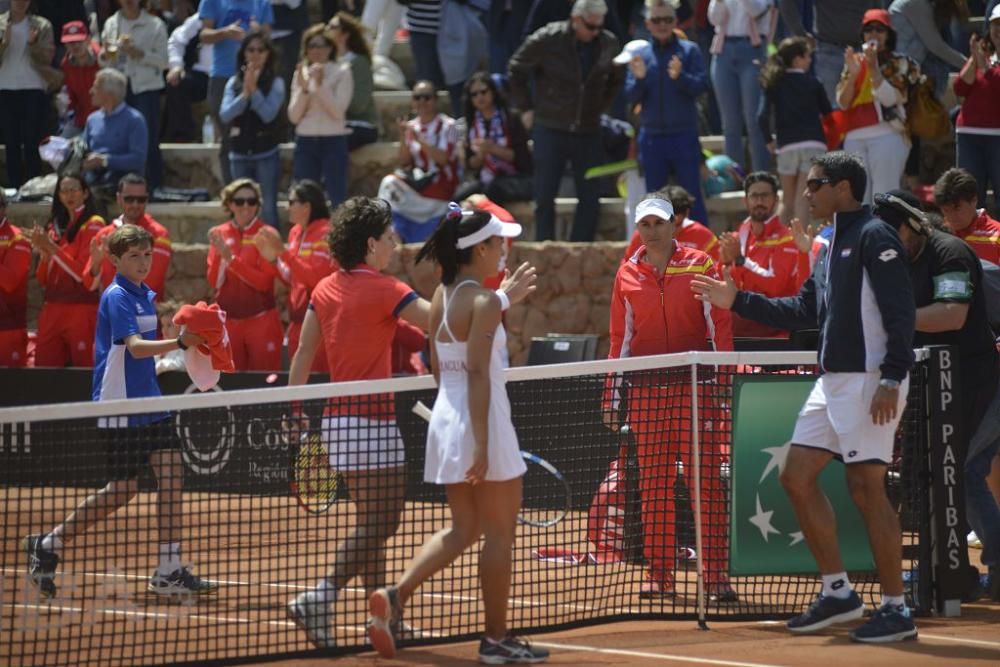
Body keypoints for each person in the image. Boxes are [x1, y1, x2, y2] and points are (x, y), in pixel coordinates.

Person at [285, 197, 536, 650]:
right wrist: (499, 299)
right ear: (369, 244)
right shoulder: (387, 288)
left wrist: (293, 405)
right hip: (375, 422)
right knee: (380, 524)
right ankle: (323, 594)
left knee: (374, 524)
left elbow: (304, 353)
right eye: (387, 237)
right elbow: (446, 325)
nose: (394, 244)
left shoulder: (322, 289)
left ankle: (384, 616)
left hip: (337, 424)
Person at [691, 151, 918, 643]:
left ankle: (897, 609)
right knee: (796, 478)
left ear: (842, 187)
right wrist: (738, 300)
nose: (807, 192)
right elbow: (803, 308)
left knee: (867, 490)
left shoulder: (875, 236)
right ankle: (838, 592)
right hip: (831, 380)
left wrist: (892, 377)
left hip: (871, 379)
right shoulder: (831, 240)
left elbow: (902, 312)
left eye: (815, 184)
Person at [365, 204, 549, 664]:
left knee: (465, 528)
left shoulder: (443, 296)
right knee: (500, 533)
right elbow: (479, 375)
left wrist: (503, 299)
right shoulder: (483, 302)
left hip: (448, 420)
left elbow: (437, 366)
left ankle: (395, 593)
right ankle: (496, 641)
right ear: (480, 249)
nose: (505, 250)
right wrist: (484, 443)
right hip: (478, 421)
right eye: (499, 243)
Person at [23, 224, 217, 601]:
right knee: (122, 490)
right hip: (120, 404)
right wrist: (178, 342)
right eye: (134, 256)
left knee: (172, 474)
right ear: (114, 259)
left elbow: (150, 347)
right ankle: (49, 543)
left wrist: (185, 336)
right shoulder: (116, 297)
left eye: (147, 255)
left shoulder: (145, 294)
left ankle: (168, 568)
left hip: (150, 400)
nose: (143, 262)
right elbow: (135, 348)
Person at [604, 193, 736, 602]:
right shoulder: (627, 274)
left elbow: (720, 327)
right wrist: (611, 397)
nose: (652, 230)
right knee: (654, 486)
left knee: (706, 484)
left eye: (659, 223)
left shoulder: (701, 264)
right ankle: (660, 577)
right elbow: (619, 341)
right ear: (638, 229)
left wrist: (725, 383)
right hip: (646, 395)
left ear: (673, 225)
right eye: (645, 224)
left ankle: (715, 577)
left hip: (696, 391)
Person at [873, 189, 1000, 602]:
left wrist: (892, 322)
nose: (889, 244)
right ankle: (948, 570)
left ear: (915, 223)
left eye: (895, 233)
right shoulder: (894, 261)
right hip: (935, 386)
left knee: (958, 471)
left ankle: (981, 567)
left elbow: (952, 314)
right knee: (939, 476)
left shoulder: (952, 253)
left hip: (984, 382)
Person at [507, 0, 624, 241]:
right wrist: (526, 109)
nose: (595, 33)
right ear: (575, 19)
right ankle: (545, 247)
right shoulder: (549, 38)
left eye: (598, 27)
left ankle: (580, 248)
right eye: (590, 27)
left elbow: (616, 78)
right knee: (544, 195)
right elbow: (516, 68)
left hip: (588, 128)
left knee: (590, 195)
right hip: (550, 126)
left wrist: (600, 106)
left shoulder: (607, 42)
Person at [625, 0, 711, 228]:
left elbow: (702, 86)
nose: (662, 24)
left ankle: (702, 253)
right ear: (647, 23)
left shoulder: (689, 50)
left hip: (683, 135)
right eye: (656, 20)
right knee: (654, 202)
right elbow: (631, 95)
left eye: (667, 19)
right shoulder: (640, 54)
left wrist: (680, 77)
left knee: (691, 198)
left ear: (675, 22)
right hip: (652, 138)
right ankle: (656, 256)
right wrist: (640, 79)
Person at [836, 9, 919, 205]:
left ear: (888, 35)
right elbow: (843, 102)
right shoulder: (854, 61)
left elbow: (891, 99)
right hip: (854, 136)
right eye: (868, 29)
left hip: (887, 135)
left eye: (879, 30)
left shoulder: (901, 62)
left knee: (884, 197)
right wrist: (855, 74)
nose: (873, 34)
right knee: (858, 199)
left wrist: (873, 68)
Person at [254, 179, 334, 372]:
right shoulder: (295, 233)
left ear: (306, 206)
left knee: (319, 383)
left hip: (321, 323)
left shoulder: (326, 233)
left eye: (291, 202)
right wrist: (273, 261)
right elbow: (291, 278)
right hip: (298, 320)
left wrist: (282, 252)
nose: (287, 208)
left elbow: (316, 279)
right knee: (298, 386)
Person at [29, 173, 107, 368]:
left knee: (84, 371)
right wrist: (45, 254)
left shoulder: (94, 223)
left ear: (86, 193)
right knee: (43, 369)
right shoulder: (56, 225)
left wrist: (51, 248)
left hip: (80, 308)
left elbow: (82, 274)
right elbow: (43, 280)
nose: (68, 195)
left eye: (74, 190)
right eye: (63, 191)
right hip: (52, 306)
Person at [719, 171, 810, 338]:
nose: (759, 201)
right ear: (745, 201)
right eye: (754, 196)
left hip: (775, 333)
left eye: (765, 196)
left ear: (776, 200)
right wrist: (725, 264)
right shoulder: (737, 237)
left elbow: (776, 286)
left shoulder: (787, 239)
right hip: (740, 331)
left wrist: (739, 260)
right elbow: (726, 286)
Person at [206, 177, 283, 371]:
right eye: (239, 201)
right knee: (231, 383)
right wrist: (221, 257)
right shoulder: (219, 232)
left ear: (258, 205)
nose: (245, 206)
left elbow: (264, 283)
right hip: (229, 321)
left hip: (262, 319)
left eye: (252, 201)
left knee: (265, 383)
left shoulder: (267, 233)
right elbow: (214, 282)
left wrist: (230, 259)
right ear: (230, 204)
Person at [757, 36, 832, 226]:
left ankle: (777, 247)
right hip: (813, 145)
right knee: (803, 199)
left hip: (786, 146)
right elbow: (829, 115)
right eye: (807, 56)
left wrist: (768, 140)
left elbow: (761, 116)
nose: (810, 60)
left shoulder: (774, 83)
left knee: (787, 201)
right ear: (797, 59)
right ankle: (801, 251)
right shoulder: (814, 83)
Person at [198, 0, 274, 184]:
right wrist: (225, 32)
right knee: (227, 135)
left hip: (257, 76)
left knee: (257, 131)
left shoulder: (261, 3)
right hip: (222, 76)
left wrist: (257, 32)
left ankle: (257, 189)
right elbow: (203, 35)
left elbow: (268, 38)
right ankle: (232, 192)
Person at [377, 79, 460, 243]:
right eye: (417, 97)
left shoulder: (449, 126)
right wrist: (403, 137)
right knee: (389, 184)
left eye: (427, 97)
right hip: (418, 188)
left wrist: (420, 140)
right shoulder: (411, 126)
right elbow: (404, 162)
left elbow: (444, 159)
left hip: (440, 190)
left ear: (435, 100)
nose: (422, 101)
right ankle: (391, 238)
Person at [100, 0, 168, 191]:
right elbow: (103, 60)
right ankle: (123, 188)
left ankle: (153, 186)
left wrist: (138, 53)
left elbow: (164, 61)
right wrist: (106, 55)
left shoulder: (155, 25)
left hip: (145, 89)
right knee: (121, 140)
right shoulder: (111, 23)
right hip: (119, 88)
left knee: (149, 139)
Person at [220, 31, 286, 229]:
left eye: (261, 50)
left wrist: (254, 91)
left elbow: (268, 114)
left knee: (267, 209)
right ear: (243, 53)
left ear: (268, 54)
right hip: (239, 152)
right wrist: (245, 95)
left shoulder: (276, 82)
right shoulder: (233, 83)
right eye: (251, 50)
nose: (255, 54)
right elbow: (225, 114)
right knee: (239, 207)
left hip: (266, 152)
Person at [288, 23, 352, 209]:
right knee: (304, 196)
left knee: (337, 195)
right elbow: (294, 116)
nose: (316, 50)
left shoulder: (343, 72)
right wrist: (305, 89)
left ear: (330, 48)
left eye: (321, 45)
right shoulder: (300, 74)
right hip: (306, 140)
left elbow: (338, 112)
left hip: (333, 139)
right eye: (312, 46)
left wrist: (320, 85)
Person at [707, 0, 775, 173]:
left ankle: (761, 176)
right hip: (723, 50)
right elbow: (714, 19)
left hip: (752, 49)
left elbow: (757, 12)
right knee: (730, 123)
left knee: (754, 121)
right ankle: (734, 178)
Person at [778, 0, 883, 109]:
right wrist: (799, 32)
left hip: (864, 51)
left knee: (866, 106)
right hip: (829, 50)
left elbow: (878, 9)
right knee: (831, 111)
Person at [86, 173, 172, 300]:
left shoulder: (159, 234)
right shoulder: (104, 235)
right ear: (118, 198)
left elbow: (152, 280)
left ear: (147, 199)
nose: (135, 204)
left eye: (141, 199)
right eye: (129, 199)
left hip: (144, 312)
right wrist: (96, 266)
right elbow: (89, 284)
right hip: (111, 313)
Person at [454, 71, 534, 206]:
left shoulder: (511, 118)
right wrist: (480, 155)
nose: (480, 97)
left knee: (492, 191)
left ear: (493, 92)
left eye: (483, 92)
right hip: (485, 180)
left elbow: (522, 158)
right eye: (474, 94)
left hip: (515, 178)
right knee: (456, 200)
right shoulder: (469, 124)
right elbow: (471, 165)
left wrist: (493, 149)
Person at [0, 0, 57, 188]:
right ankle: (15, 186)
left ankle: (33, 185)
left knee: (32, 141)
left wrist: (32, 45)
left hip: (34, 86)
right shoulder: (1, 23)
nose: (21, 2)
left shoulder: (42, 25)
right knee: (11, 142)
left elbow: (48, 57)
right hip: (5, 87)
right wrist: (3, 44)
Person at [954, 8, 1000, 216]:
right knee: (970, 195)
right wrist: (974, 59)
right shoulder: (983, 57)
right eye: (996, 24)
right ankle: (972, 244)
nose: (999, 29)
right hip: (969, 134)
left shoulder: (987, 63)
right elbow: (960, 88)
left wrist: (986, 69)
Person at [82, 68, 149, 193]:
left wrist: (105, 160)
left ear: (109, 94)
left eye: (96, 88)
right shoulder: (92, 119)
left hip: (121, 178)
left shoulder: (134, 120)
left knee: (97, 191)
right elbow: (83, 149)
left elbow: (138, 159)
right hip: (94, 176)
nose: (91, 92)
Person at [622, 184, 720, 264]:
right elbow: (627, 268)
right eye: (661, 223)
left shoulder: (703, 236)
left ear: (687, 213)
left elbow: (718, 271)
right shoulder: (643, 235)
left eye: (677, 225)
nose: (672, 230)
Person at [328, 11, 378, 151]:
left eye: (332, 26)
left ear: (344, 34)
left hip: (361, 124)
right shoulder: (328, 64)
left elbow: (358, 105)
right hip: (333, 123)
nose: (327, 30)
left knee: (333, 140)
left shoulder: (359, 62)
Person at [934, 168, 1000, 264]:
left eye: (957, 209)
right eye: (946, 210)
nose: (952, 216)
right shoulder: (936, 234)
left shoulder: (997, 235)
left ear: (974, 200)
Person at [164, 10, 211, 142]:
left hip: (233, 75)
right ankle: (183, 138)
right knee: (176, 82)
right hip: (204, 76)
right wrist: (176, 66)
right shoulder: (204, 15)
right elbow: (176, 40)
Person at [0, 189, 30, 367]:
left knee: (10, 390)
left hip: (7, 328)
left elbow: (10, 282)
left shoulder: (18, 238)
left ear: (4, 208)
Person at [59, 20, 100, 138]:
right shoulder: (66, 64)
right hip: (80, 120)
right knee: (60, 148)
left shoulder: (102, 59)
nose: (75, 46)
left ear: (88, 40)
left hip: (104, 119)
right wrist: (64, 103)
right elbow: (71, 96)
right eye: (71, 42)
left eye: (79, 41)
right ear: (65, 45)